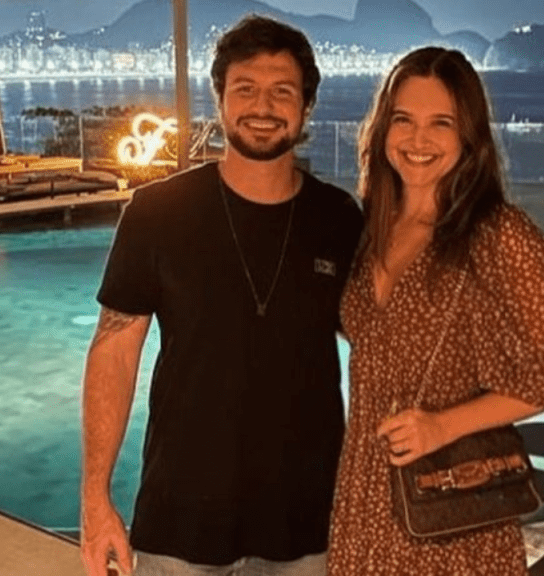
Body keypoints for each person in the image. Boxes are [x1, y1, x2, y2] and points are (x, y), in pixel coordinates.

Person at [80, 15, 362, 576]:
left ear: (307, 106)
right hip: (180, 519)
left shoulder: (337, 218)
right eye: (246, 89)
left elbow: (377, 343)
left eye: (283, 92)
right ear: (221, 99)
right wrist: (95, 497)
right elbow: (115, 348)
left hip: (306, 523)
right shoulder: (158, 213)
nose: (264, 106)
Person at [326, 47, 544, 575]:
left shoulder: (500, 236)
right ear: (382, 128)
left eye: (441, 123)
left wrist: (444, 426)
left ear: (469, 137)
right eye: (403, 119)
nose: (418, 140)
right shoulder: (372, 229)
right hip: (364, 500)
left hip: (449, 510)